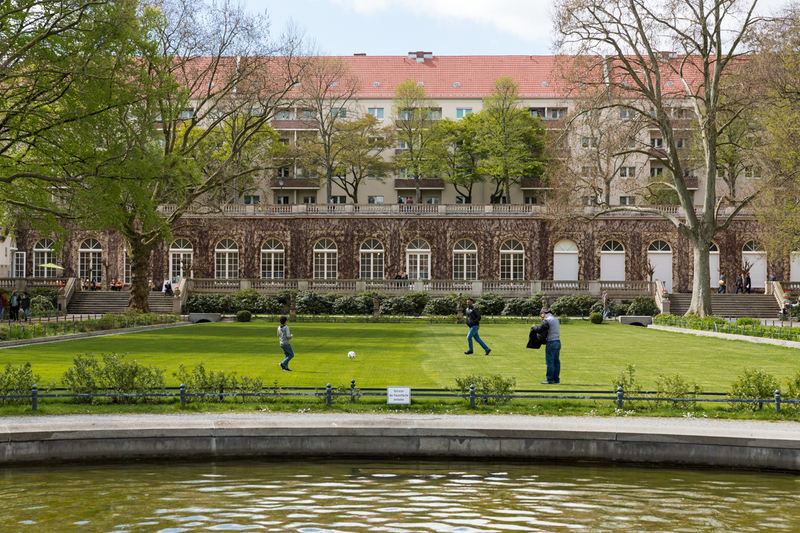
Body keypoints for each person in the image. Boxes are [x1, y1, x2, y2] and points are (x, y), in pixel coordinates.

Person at [530, 308, 561, 384]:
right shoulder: (555, 319)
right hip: (558, 342)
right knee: (556, 362)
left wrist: (534, 326)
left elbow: (539, 329)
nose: (542, 318)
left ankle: (550, 379)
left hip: (551, 342)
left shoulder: (547, 320)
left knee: (550, 362)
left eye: (541, 316)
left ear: (543, 313)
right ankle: (556, 379)